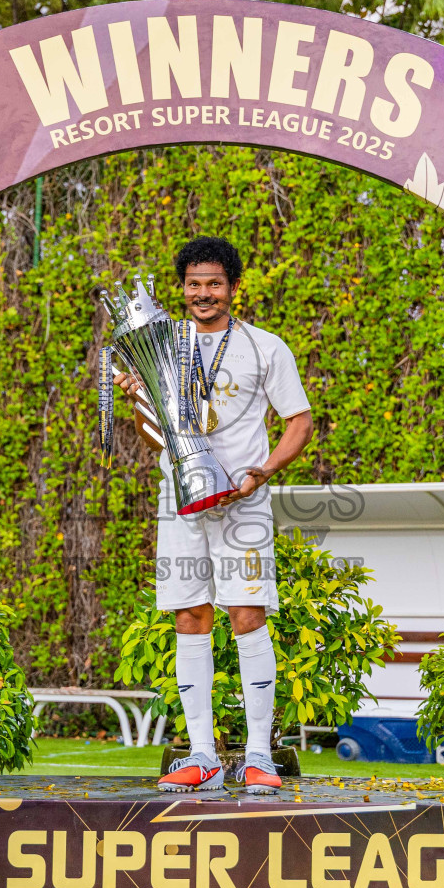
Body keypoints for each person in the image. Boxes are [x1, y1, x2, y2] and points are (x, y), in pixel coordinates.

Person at [115, 236, 314, 794]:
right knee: (189, 616)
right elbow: (153, 436)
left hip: (243, 502)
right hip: (180, 502)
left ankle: (259, 757)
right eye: (194, 284)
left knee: (247, 614)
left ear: (233, 287)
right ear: (182, 288)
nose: (204, 294)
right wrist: (138, 399)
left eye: (214, 284)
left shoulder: (264, 347)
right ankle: (202, 756)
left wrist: (261, 472)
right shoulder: (162, 345)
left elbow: (300, 422)